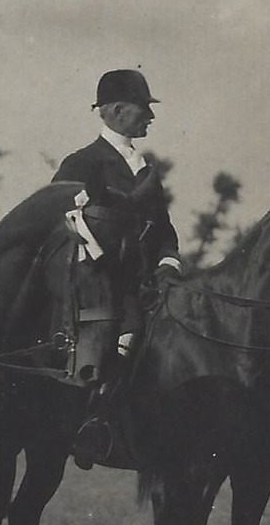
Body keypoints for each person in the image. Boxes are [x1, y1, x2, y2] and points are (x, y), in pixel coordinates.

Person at [57, 69, 182, 468]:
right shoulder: (82, 162)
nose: (150, 116)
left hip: (147, 284)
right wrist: (103, 261)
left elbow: (164, 230)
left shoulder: (145, 170)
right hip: (99, 284)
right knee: (122, 336)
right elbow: (64, 222)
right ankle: (93, 422)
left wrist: (167, 264)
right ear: (114, 111)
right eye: (143, 108)